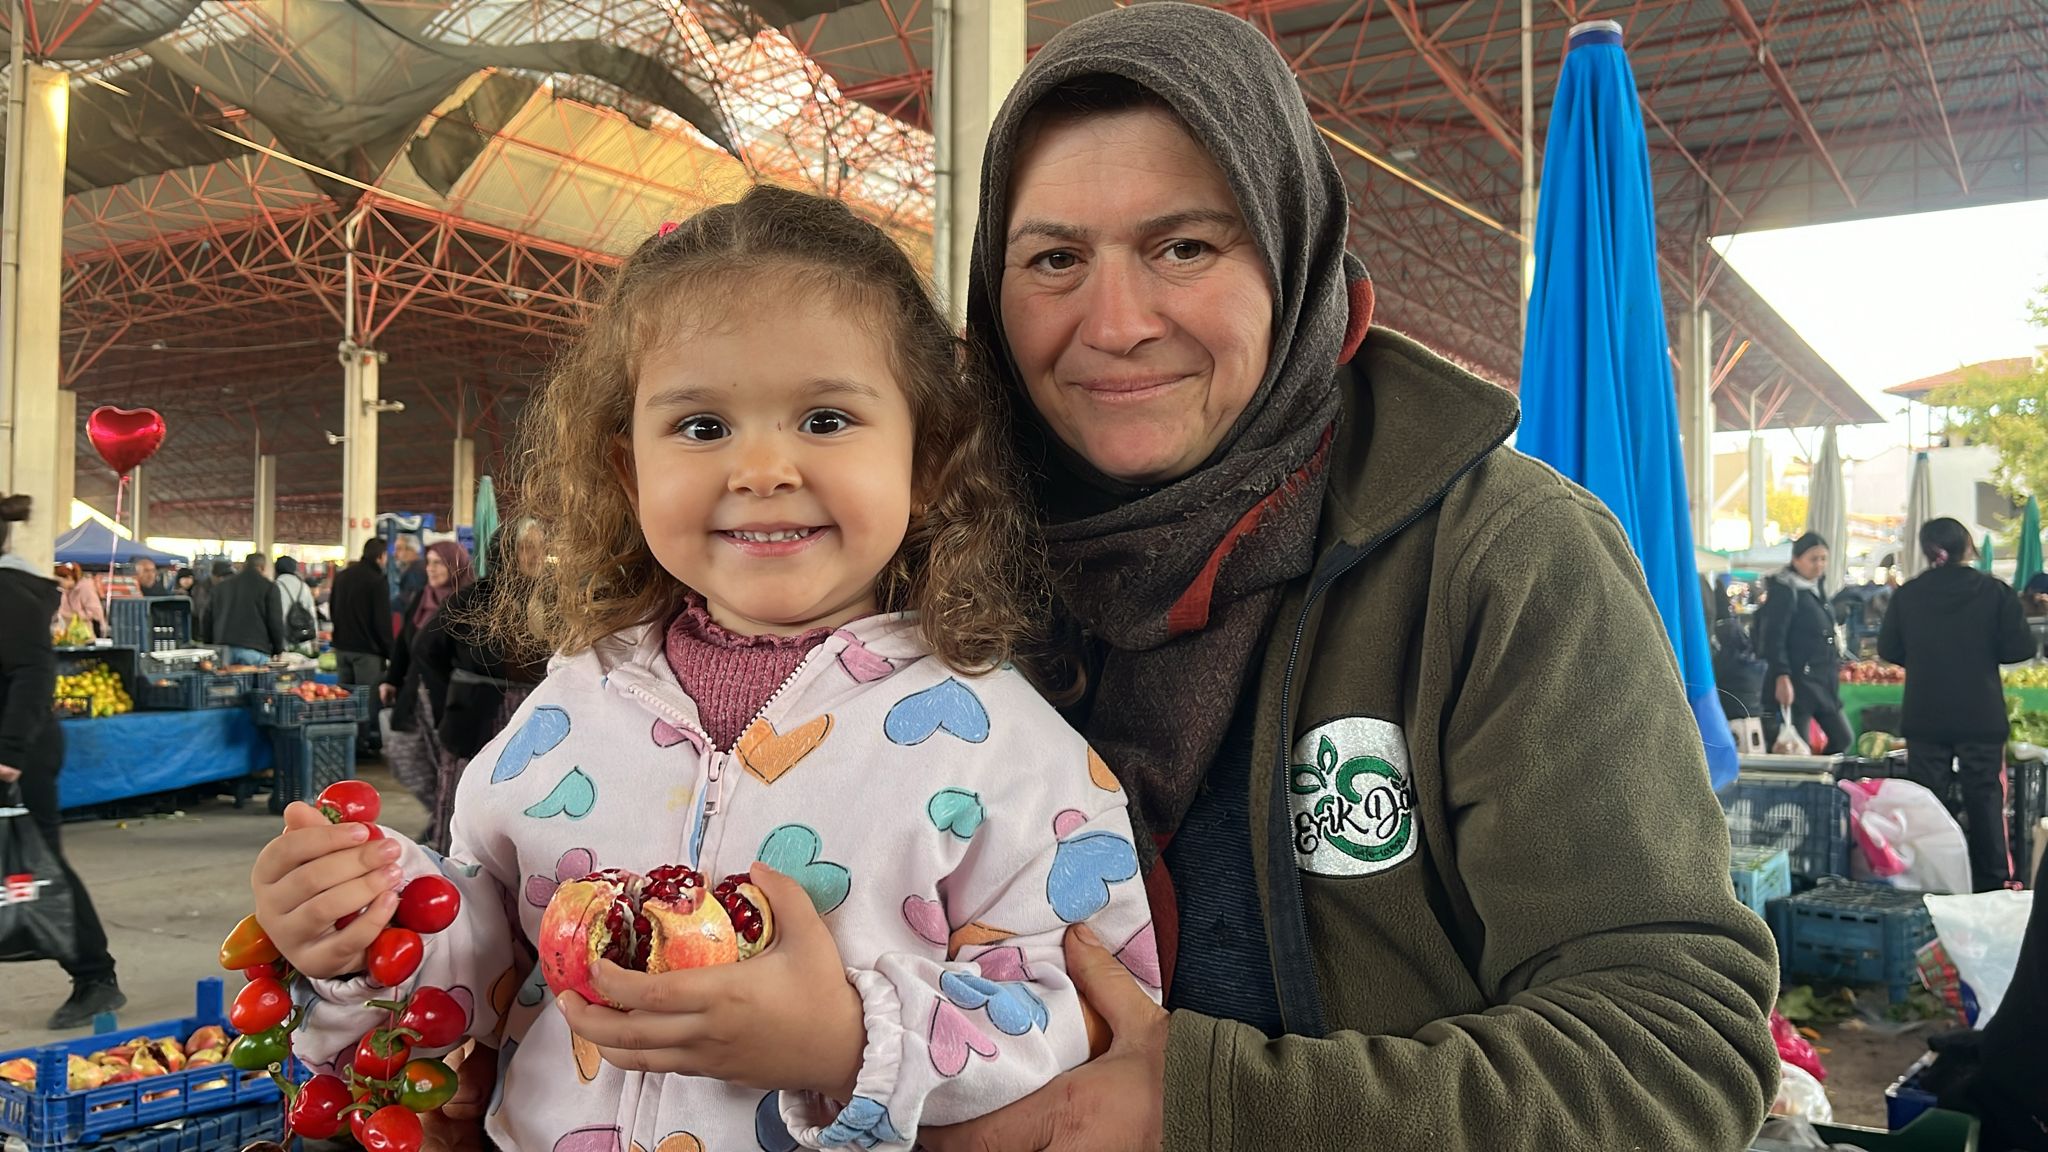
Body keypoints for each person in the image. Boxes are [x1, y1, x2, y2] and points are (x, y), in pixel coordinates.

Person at [923, 8, 1777, 1149]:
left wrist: (1214, 1107)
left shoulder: (1501, 561)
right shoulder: (938, 569)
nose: (1114, 323)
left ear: (1292, 251)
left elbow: (1669, 1050)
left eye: (1185, 247)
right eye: (1054, 259)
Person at [246, 186, 1155, 1152]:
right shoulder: (571, 704)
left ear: (927, 458)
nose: (761, 468)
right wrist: (370, 922)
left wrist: (847, 1043)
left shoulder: (1003, 749)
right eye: (703, 427)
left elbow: (1085, 1004)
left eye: (826, 419)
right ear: (631, 471)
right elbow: (490, 952)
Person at [0, 494, 126, 1028]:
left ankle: (95, 976)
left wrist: (7, 755)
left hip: (18, 754)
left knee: (40, 866)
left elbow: (32, 673)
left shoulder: (9, 592)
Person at [1877, 517, 2038, 891]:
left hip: (1925, 713)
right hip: (1979, 714)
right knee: (1985, 801)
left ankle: (1933, 882)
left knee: (1927, 802)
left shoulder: (1909, 594)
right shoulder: (1993, 591)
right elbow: (2020, 649)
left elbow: (1888, 650)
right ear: (1967, 546)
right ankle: (1993, 884)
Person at [415, 520, 548, 853]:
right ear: (505, 552)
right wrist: (449, 696)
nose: (536, 555)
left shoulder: (552, 597)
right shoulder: (475, 598)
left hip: (536, 717)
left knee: (528, 796)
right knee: (470, 793)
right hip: (476, 715)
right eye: (526, 547)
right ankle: (459, 873)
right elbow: (426, 648)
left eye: (540, 547)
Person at [378, 541, 472, 840]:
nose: (430, 569)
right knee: (408, 758)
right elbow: (403, 647)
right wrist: (391, 679)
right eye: (429, 562)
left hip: (451, 698)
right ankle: (440, 813)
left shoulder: (468, 601)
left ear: (455, 566)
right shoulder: (422, 599)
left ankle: (451, 826)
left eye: (438, 563)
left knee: (449, 764)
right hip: (415, 695)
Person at [1756, 532, 1852, 754]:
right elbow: (1773, 638)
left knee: (1843, 738)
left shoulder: (1816, 590)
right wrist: (1782, 675)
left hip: (1823, 681)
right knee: (1797, 749)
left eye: (1823, 559)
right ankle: (1806, 786)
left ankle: (1824, 781)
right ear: (1796, 560)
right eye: (1813, 559)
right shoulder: (1785, 591)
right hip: (1798, 682)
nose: (1819, 565)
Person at [329, 538, 392, 757]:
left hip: (342, 649)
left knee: (345, 700)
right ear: (381, 556)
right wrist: (390, 652)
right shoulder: (377, 581)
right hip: (367, 653)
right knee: (366, 701)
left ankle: (345, 744)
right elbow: (382, 622)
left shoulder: (342, 576)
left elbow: (332, 610)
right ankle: (362, 746)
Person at [206, 552, 285, 666]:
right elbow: (275, 620)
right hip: (255, 649)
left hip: (223, 649)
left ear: (244, 565)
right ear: (262, 567)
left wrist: (210, 645)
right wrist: (278, 649)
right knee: (256, 683)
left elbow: (207, 618)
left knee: (228, 684)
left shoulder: (221, 587)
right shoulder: (269, 587)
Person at [272, 556, 319, 653]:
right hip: (302, 639)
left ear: (276, 570)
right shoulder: (304, 586)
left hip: (282, 642)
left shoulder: (274, 586)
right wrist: (315, 641)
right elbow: (312, 615)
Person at [52, 563, 105, 642]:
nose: (58, 585)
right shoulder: (66, 591)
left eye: (59, 582)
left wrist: (76, 615)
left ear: (68, 578)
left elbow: (96, 613)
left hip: (86, 636)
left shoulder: (86, 588)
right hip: (69, 636)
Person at [393, 534, 427, 620]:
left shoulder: (415, 572)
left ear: (411, 550)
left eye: (399, 549)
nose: (395, 554)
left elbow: (408, 603)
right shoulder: (415, 568)